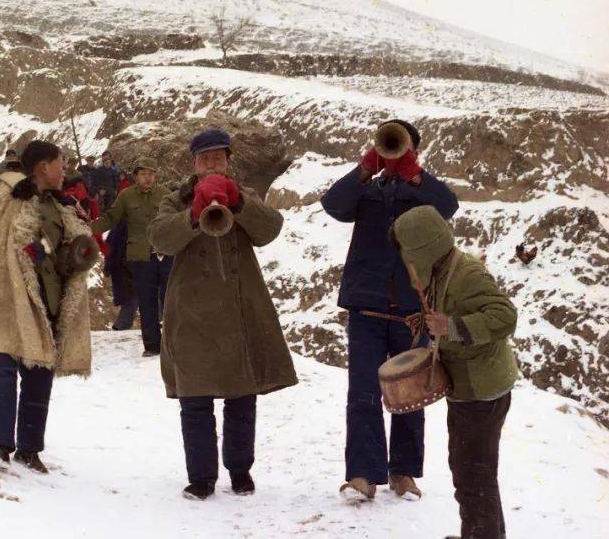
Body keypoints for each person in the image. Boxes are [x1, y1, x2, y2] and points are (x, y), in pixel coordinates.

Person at [147, 128, 297, 500]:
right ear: (194, 163)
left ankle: (240, 470)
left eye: (218, 157)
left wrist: (240, 204)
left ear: (229, 161)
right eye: (205, 158)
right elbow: (159, 238)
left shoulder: (244, 196)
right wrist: (193, 214)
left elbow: (270, 230)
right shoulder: (174, 200)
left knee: (241, 397)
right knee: (195, 399)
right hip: (191, 313)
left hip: (239, 309)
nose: (212, 163)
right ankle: (201, 477)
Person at [320, 118, 459, 501]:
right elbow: (333, 204)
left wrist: (416, 177)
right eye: (389, 145)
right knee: (362, 393)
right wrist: (365, 169)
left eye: (403, 147)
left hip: (412, 310)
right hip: (366, 307)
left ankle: (403, 473)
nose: (395, 152)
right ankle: (364, 475)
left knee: (411, 392)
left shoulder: (424, 194)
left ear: (414, 152)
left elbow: (450, 206)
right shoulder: (366, 191)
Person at [0, 140, 95, 474]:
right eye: (61, 163)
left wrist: (74, 254)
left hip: (45, 303)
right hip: (4, 298)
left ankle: (30, 450)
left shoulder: (58, 207)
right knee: (2, 368)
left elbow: (60, 256)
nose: (65, 170)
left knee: (39, 377)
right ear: (43, 166)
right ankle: (0, 446)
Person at [391, 205, 517, 539]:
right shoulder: (442, 271)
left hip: (481, 390)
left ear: (422, 249)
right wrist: (429, 323)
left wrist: (452, 326)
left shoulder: (468, 274)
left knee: (474, 475)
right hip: (468, 387)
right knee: (468, 471)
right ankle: (480, 533)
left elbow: (505, 317)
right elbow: (451, 312)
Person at [92, 157, 171, 356]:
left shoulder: (165, 195)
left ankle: (171, 344)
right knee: (146, 302)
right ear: (136, 176)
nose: (148, 178)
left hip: (165, 254)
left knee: (169, 300)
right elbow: (111, 217)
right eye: (144, 174)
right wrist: (90, 229)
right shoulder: (126, 196)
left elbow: (176, 220)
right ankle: (152, 346)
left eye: (151, 174)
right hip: (139, 257)